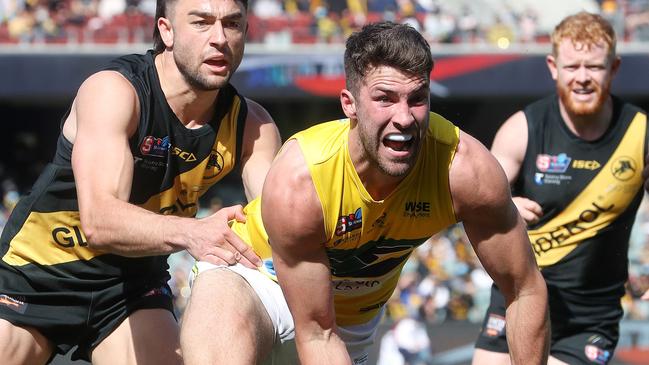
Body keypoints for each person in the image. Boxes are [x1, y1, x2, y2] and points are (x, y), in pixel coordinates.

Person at [182, 21, 549, 365]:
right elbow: (316, 333)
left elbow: (524, 289)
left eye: (417, 99)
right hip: (255, 273)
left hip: (349, 319)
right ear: (349, 104)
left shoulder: (466, 169)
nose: (404, 118)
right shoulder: (302, 179)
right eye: (385, 99)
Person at [0, 0, 281, 363]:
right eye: (202, 23)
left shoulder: (253, 127)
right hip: (37, 276)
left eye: (232, 24)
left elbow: (280, 228)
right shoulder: (115, 92)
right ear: (166, 30)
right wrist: (193, 232)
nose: (219, 39)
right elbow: (100, 221)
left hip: (131, 288)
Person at [473, 11, 649, 365]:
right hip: (516, 299)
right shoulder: (522, 128)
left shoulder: (641, 134)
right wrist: (503, 208)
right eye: (572, 67)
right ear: (553, 66)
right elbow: (472, 202)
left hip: (589, 319)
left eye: (594, 67)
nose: (582, 78)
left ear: (613, 68)